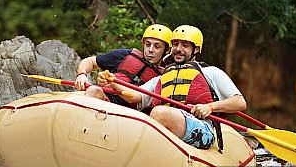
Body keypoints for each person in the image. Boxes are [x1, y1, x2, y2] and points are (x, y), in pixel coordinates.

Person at [104, 25, 246, 149]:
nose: (178, 49)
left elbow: (239, 102)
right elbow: (135, 96)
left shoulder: (211, 73)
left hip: (203, 128)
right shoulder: (162, 77)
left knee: (159, 113)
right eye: (176, 44)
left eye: (185, 45)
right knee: (155, 114)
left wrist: (210, 107)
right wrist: (113, 82)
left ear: (196, 49)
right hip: (168, 122)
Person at [74, 24, 171, 108]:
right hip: (104, 96)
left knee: (94, 90)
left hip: (128, 112)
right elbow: (89, 61)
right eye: (148, 44)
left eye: (157, 47)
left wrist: (113, 83)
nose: (150, 50)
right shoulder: (125, 55)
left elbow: (137, 98)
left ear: (167, 50)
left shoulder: (165, 76)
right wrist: (81, 74)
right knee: (94, 90)